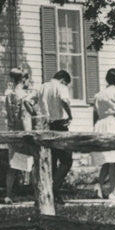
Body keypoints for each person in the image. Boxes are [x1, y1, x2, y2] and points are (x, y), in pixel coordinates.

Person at [90, 68, 115, 202]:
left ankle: (98, 185)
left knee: (107, 160)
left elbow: (95, 115)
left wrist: (95, 130)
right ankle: (114, 192)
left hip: (101, 125)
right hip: (113, 125)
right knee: (114, 160)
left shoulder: (98, 95)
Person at [38, 70, 74, 200]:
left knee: (52, 159)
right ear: (63, 80)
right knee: (66, 159)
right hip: (60, 124)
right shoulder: (61, 87)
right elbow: (64, 100)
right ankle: (54, 188)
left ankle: (50, 191)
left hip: (46, 125)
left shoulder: (42, 86)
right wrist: (70, 114)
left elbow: (30, 102)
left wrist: (38, 116)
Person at [3, 67, 36, 204]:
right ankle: (37, 195)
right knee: (33, 163)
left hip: (12, 131)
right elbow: (24, 116)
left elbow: (9, 115)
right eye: (28, 78)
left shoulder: (9, 95)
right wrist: (29, 134)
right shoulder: (24, 96)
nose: (29, 81)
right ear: (24, 79)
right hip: (23, 131)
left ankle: (8, 194)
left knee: (12, 164)